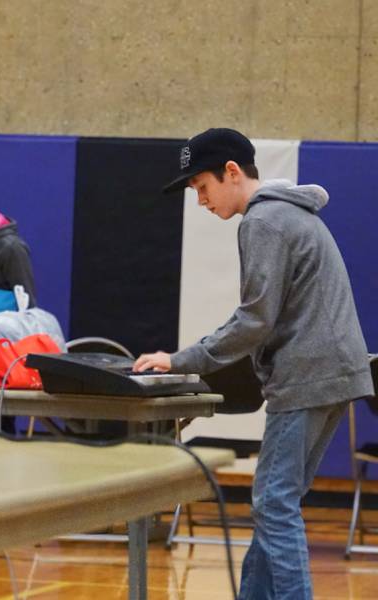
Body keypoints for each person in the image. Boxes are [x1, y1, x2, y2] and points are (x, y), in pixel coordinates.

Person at [134, 128, 374, 600]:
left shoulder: (262, 222)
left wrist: (181, 361)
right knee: (276, 503)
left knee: (273, 504)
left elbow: (254, 320)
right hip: (336, 372)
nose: (200, 201)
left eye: (202, 187)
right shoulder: (290, 213)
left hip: (308, 375)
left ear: (231, 172)